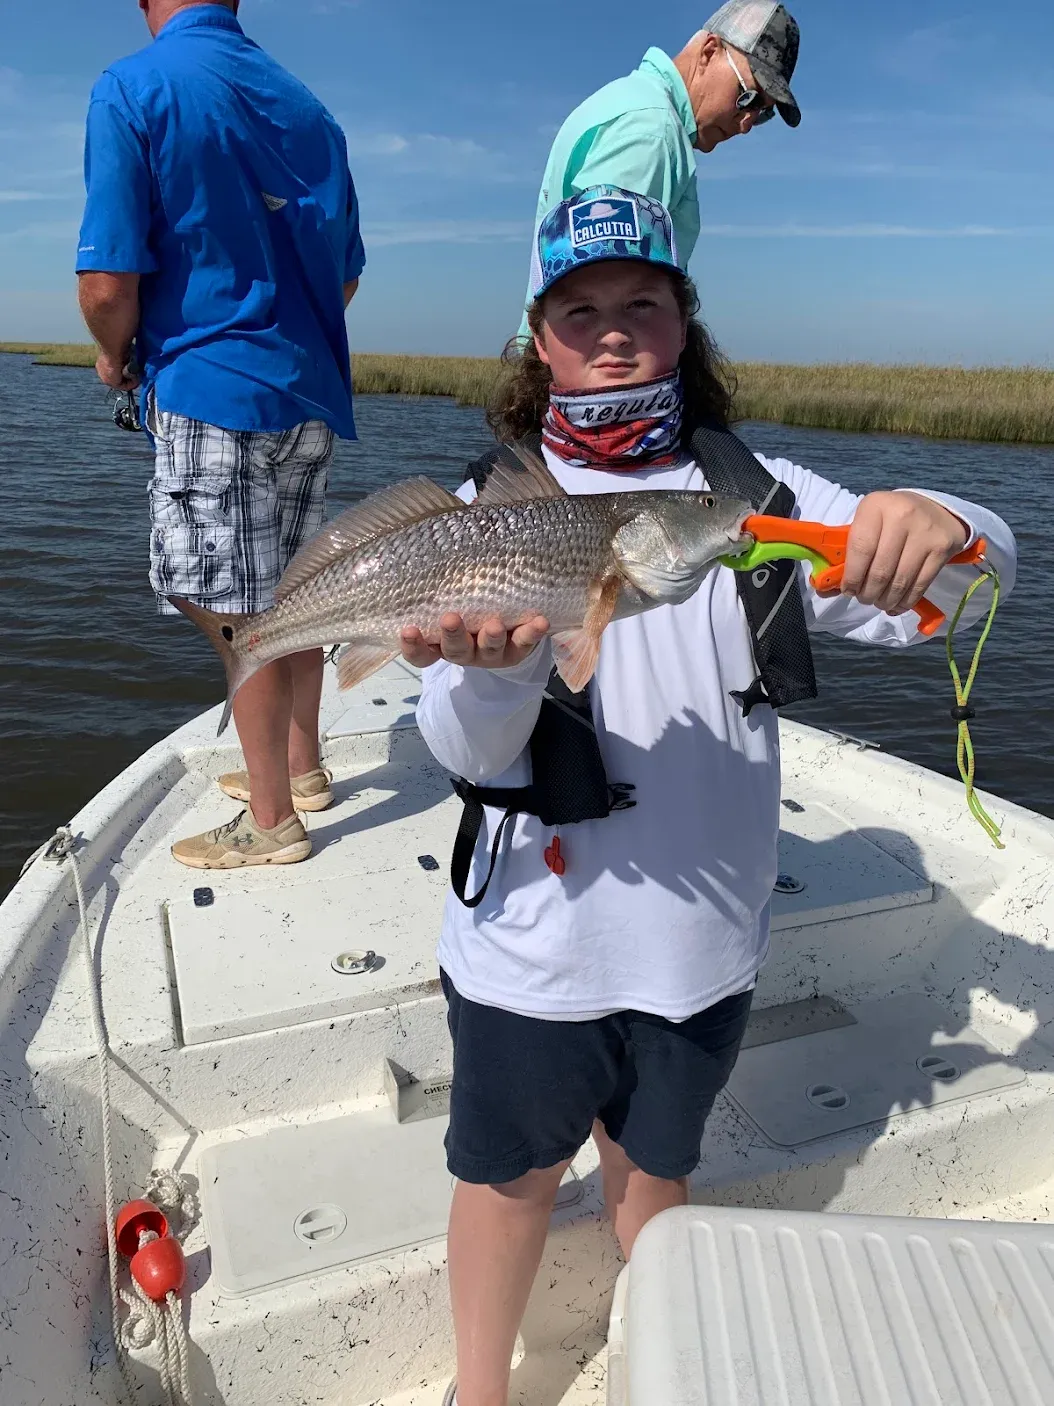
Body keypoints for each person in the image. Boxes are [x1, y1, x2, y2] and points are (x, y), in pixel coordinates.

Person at [403, 186, 1017, 1406]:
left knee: (656, 1167)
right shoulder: (487, 515)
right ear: (540, 340)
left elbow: (977, 585)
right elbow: (466, 751)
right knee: (506, 1176)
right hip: (535, 946)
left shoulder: (755, 498)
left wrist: (942, 520)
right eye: (581, 309)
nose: (615, 328)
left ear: (686, 325)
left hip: (699, 948)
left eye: (645, 300)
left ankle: (664, 1360)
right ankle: (481, 1388)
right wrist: (501, 663)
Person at [76, 0, 365, 869]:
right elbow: (343, 279)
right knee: (292, 592)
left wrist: (112, 354)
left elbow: (104, 282)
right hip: (307, 396)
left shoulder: (131, 86)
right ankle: (302, 766)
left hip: (212, 392)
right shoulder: (309, 108)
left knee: (236, 613)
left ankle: (272, 821)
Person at [518, 0, 802, 337]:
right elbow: (605, 315)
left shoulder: (631, 102)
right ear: (710, 51)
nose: (745, 124)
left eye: (762, 114)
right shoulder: (652, 134)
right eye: (748, 98)